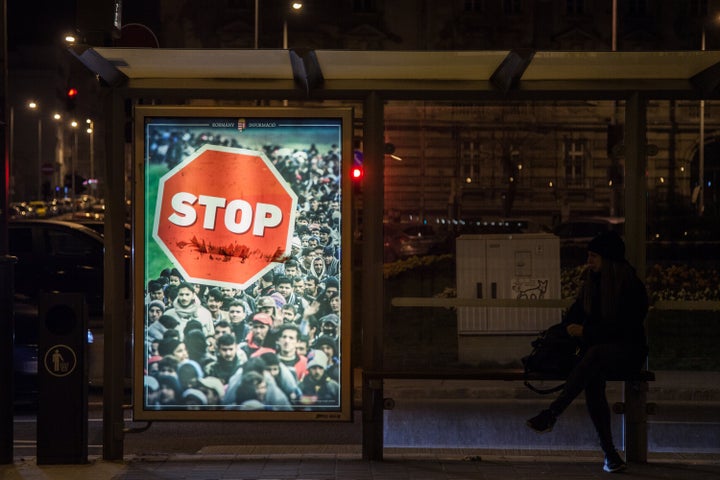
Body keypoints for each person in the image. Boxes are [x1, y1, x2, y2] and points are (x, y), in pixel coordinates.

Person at [526, 231, 648, 474]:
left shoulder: (630, 286)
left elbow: (624, 329)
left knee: (594, 357)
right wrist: (567, 331)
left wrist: (586, 331)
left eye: (593, 256)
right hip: (599, 355)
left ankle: (553, 412)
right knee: (592, 375)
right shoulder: (592, 284)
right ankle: (610, 456)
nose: (589, 261)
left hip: (629, 353)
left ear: (608, 258)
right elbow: (574, 316)